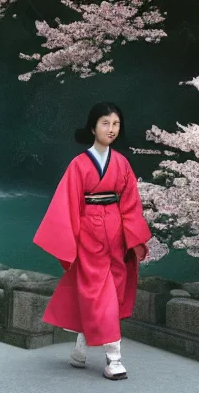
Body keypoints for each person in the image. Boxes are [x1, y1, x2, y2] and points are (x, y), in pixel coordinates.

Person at [33, 102, 152, 380]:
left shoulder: (121, 163)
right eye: (105, 123)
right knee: (102, 294)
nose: (111, 129)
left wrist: (133, 236)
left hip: (117, 234)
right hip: (89, 234)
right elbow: (67, 205)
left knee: (108, 293)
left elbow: (131, 204)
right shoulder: (78, 165)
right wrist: (70, 241)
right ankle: (114, 359)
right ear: (93, 127)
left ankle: (79, 349)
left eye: (116, 124)